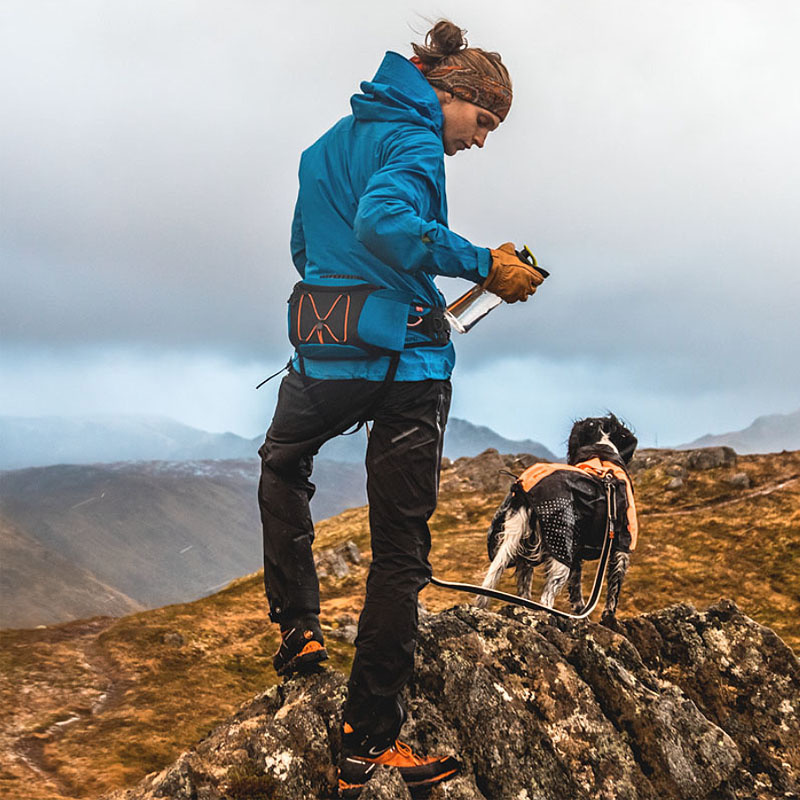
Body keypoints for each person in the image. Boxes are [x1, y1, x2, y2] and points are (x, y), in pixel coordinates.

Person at [257, 19, 544, 797]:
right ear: (449, 95)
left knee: (282, 463)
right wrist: (482, 262)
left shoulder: (325, 146)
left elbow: (304, 249)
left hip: (324, 351)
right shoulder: (414, 142)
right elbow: (385, 223)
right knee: (399, 554)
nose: (480, 141)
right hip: (408, 363)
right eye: (482, 122)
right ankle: (366, 747)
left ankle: (298, 632)